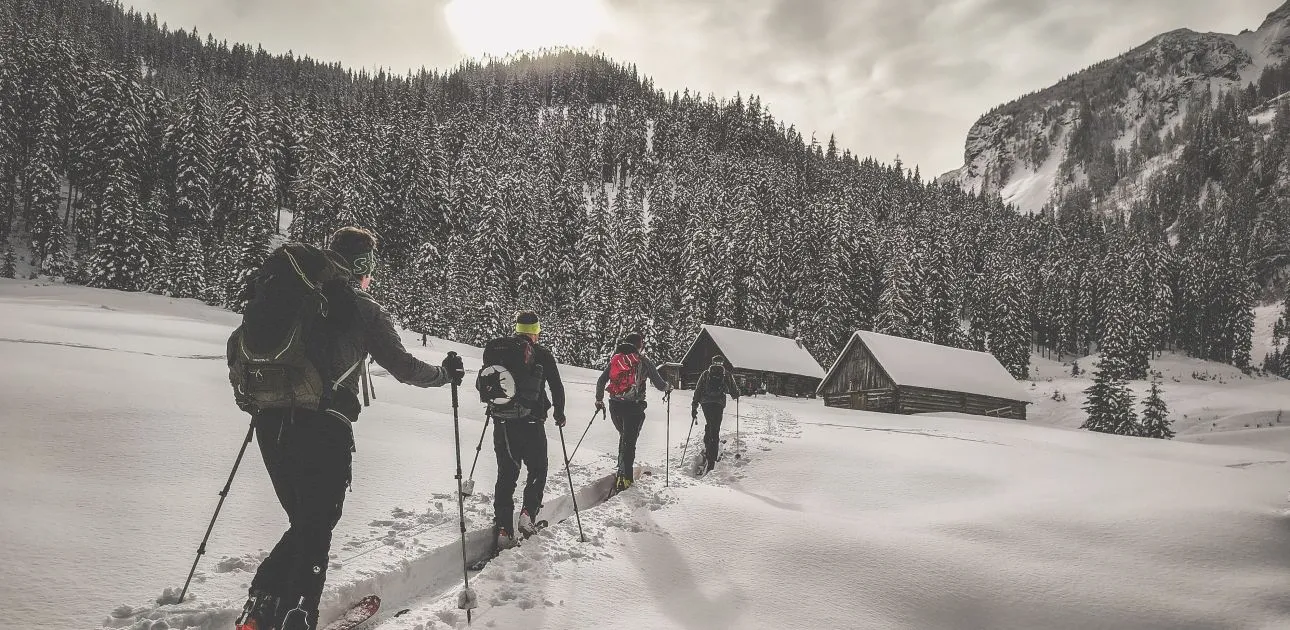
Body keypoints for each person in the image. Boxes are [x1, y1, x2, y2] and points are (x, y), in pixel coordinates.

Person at [231, 227, 465, 630]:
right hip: (324, 426)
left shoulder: (290, 296)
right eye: (370, 266)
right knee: (318, 522)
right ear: (362, 266)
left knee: (305, 520)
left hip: (270, 422)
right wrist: (444, 374)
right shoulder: (359, 305)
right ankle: (298, 615)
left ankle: (261, 604)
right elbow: (403, 366)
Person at [482, 310, 566, 550]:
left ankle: (503, 529)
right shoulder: (541, 354)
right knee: (538, 468)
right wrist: (559, 413)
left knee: (506, 474)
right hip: (531, 422)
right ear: (536, 332)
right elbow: (557, 387)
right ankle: (528, 513)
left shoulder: (499, 351)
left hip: (502, 423)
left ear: (517, 329)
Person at [594, 332, 671, 491]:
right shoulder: (643, 361)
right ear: (639, 345)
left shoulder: (616, 360)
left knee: (624, 437)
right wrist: (668, 387)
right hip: (634, 407)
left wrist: (599, 399)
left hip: (615, 405)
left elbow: (602, 380)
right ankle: (625, 478)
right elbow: (659, 384)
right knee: (630, 442)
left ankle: (622, 469)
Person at [691, 355, 740, 474]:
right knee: (715, 429)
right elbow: (734, 391)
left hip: (706, 403)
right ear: (722, 363)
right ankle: (711, 461)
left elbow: (698, 390)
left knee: (710, 424)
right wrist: (737, 394)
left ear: (712, 362)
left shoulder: (705, 374)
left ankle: (708, 448)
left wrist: (694, 406)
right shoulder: (726, 373)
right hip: (718, 404)